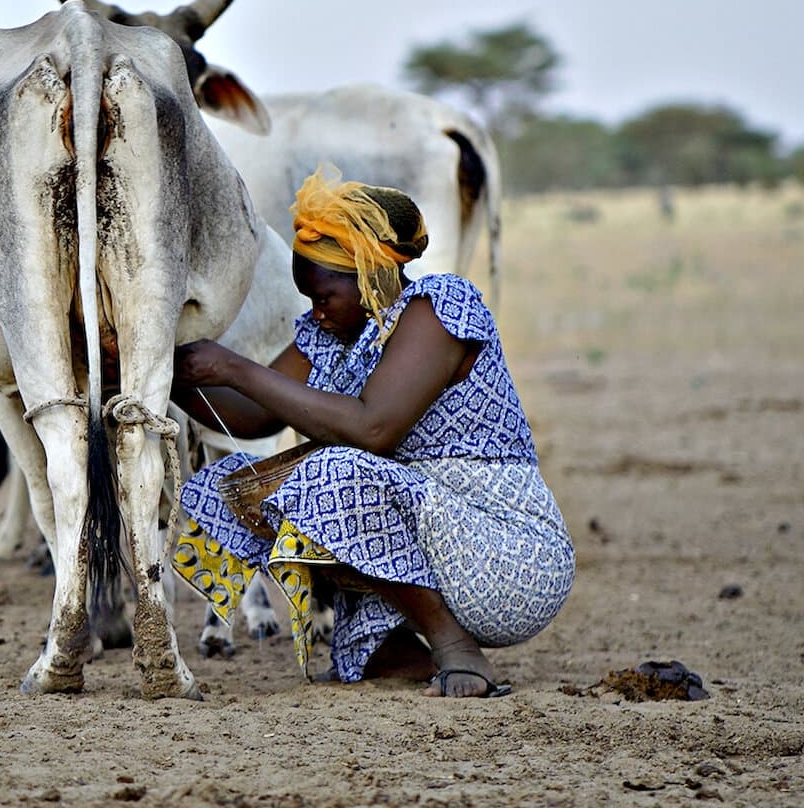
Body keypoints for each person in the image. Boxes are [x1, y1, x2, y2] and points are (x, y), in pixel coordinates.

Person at [171, 167, 573, 698]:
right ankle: (402, 649)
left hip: (503, 551)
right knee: (236, 486)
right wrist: (156, 367)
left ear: (367, 274)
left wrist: (233, 366)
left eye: (323, 297)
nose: (315, 312)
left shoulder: (440, 308)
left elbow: (374, 428)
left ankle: (456, 647)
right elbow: (253, 415)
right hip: (427, 532)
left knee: (331, 471)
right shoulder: (333, 332)